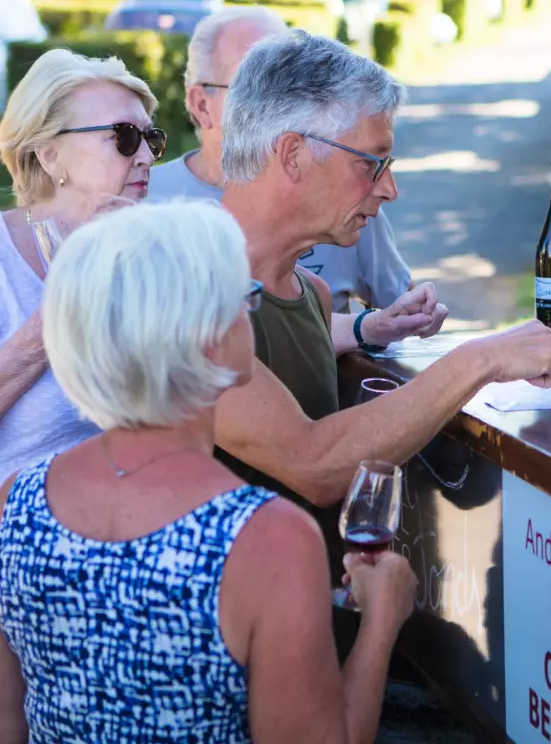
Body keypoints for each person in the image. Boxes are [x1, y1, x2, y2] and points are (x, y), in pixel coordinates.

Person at [0, 199, 417, 743]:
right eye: (242, 296)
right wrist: (382, 621)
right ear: (207, 339)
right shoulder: (266, 537)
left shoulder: (17, 501)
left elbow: (8, 721)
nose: (253, 307)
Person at [212, 29, 551, 515]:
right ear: (293, 154)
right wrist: (481, 358)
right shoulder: (183, 297)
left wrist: (370, 326)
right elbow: (313, 464)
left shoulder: (309, 292)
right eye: (372, 164)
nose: (390, 189)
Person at [148, 5, 413, 313]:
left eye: (299, 84)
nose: (282, 101)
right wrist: (359, 330)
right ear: (201, 104)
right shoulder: (142, 206)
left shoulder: (351, 211)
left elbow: (402, 312)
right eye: (250, 83)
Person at [0, 48, 161, 481]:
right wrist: (55, 319)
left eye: (152, 138)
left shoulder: (156, 250)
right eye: (124, 137)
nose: (146, 156)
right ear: (49, 155)